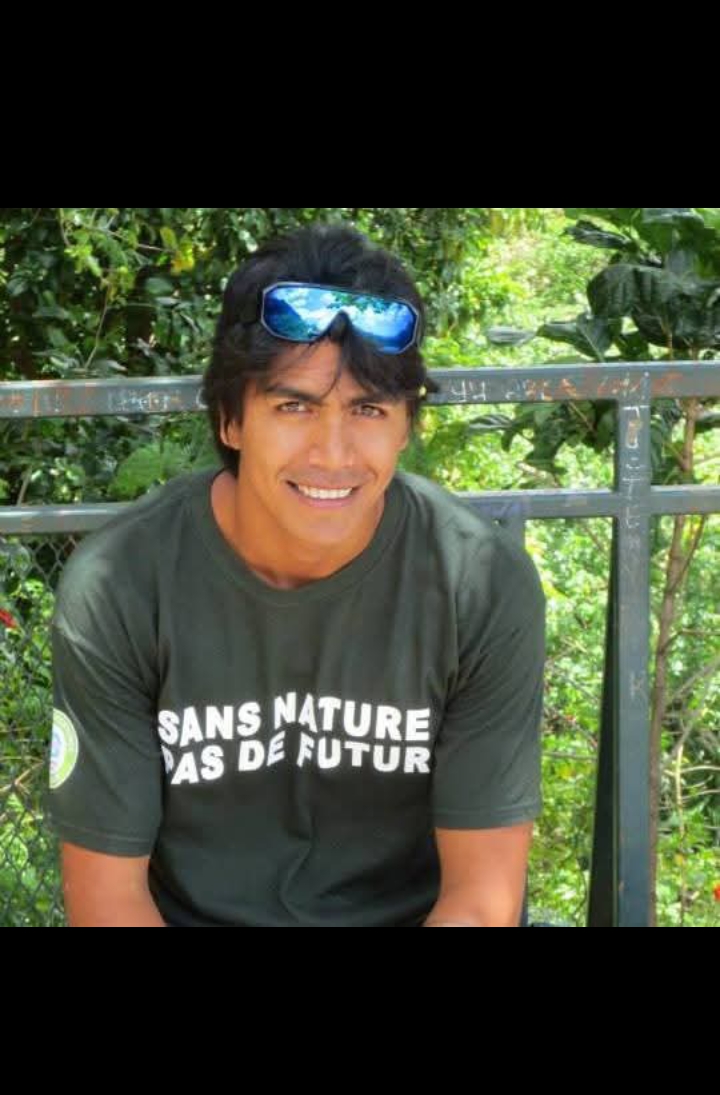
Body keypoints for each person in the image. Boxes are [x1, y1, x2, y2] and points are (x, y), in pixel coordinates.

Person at [46, 222, 545, 926]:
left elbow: (480, 902)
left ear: (405, 426)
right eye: (294, 407)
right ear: (231, 419)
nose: (332, 454)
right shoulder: (121, 584)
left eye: (368, 409)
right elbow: (109, 904)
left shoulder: (480, 584)